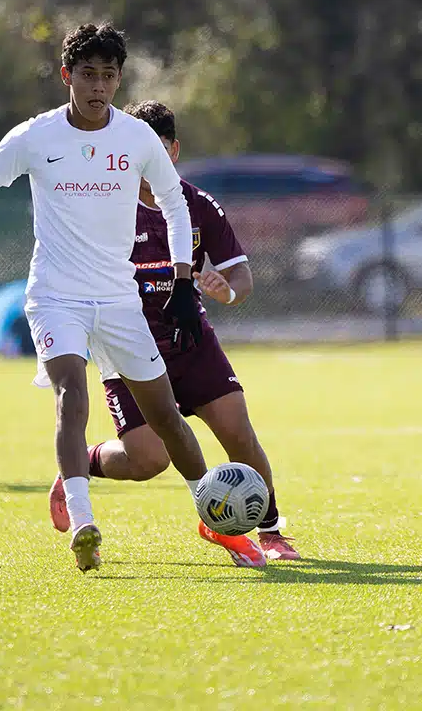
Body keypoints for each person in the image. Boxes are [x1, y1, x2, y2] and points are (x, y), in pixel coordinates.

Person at [0, 22, 212, 572]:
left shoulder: (137, 138)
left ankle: (215, 515)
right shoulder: (36, 136)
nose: (98, 86)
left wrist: (185, 282)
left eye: (109, 76)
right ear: (67, 75)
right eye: (88, 74)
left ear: (119, 81)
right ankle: (84, 520)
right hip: (55, 297)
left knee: (165, 418)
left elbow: (174, 201)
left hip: (119, 300)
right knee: (72, 391)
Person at [47, 101, 300, 564]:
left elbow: (240, 278)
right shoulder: (102, 206)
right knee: (148, 461)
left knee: (239, 434)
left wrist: (225, 292)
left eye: (158, 151)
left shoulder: (198, 205)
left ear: (174, 151)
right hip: (126, 350)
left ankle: (271, 531)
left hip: (191, 344)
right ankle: (81, 463)